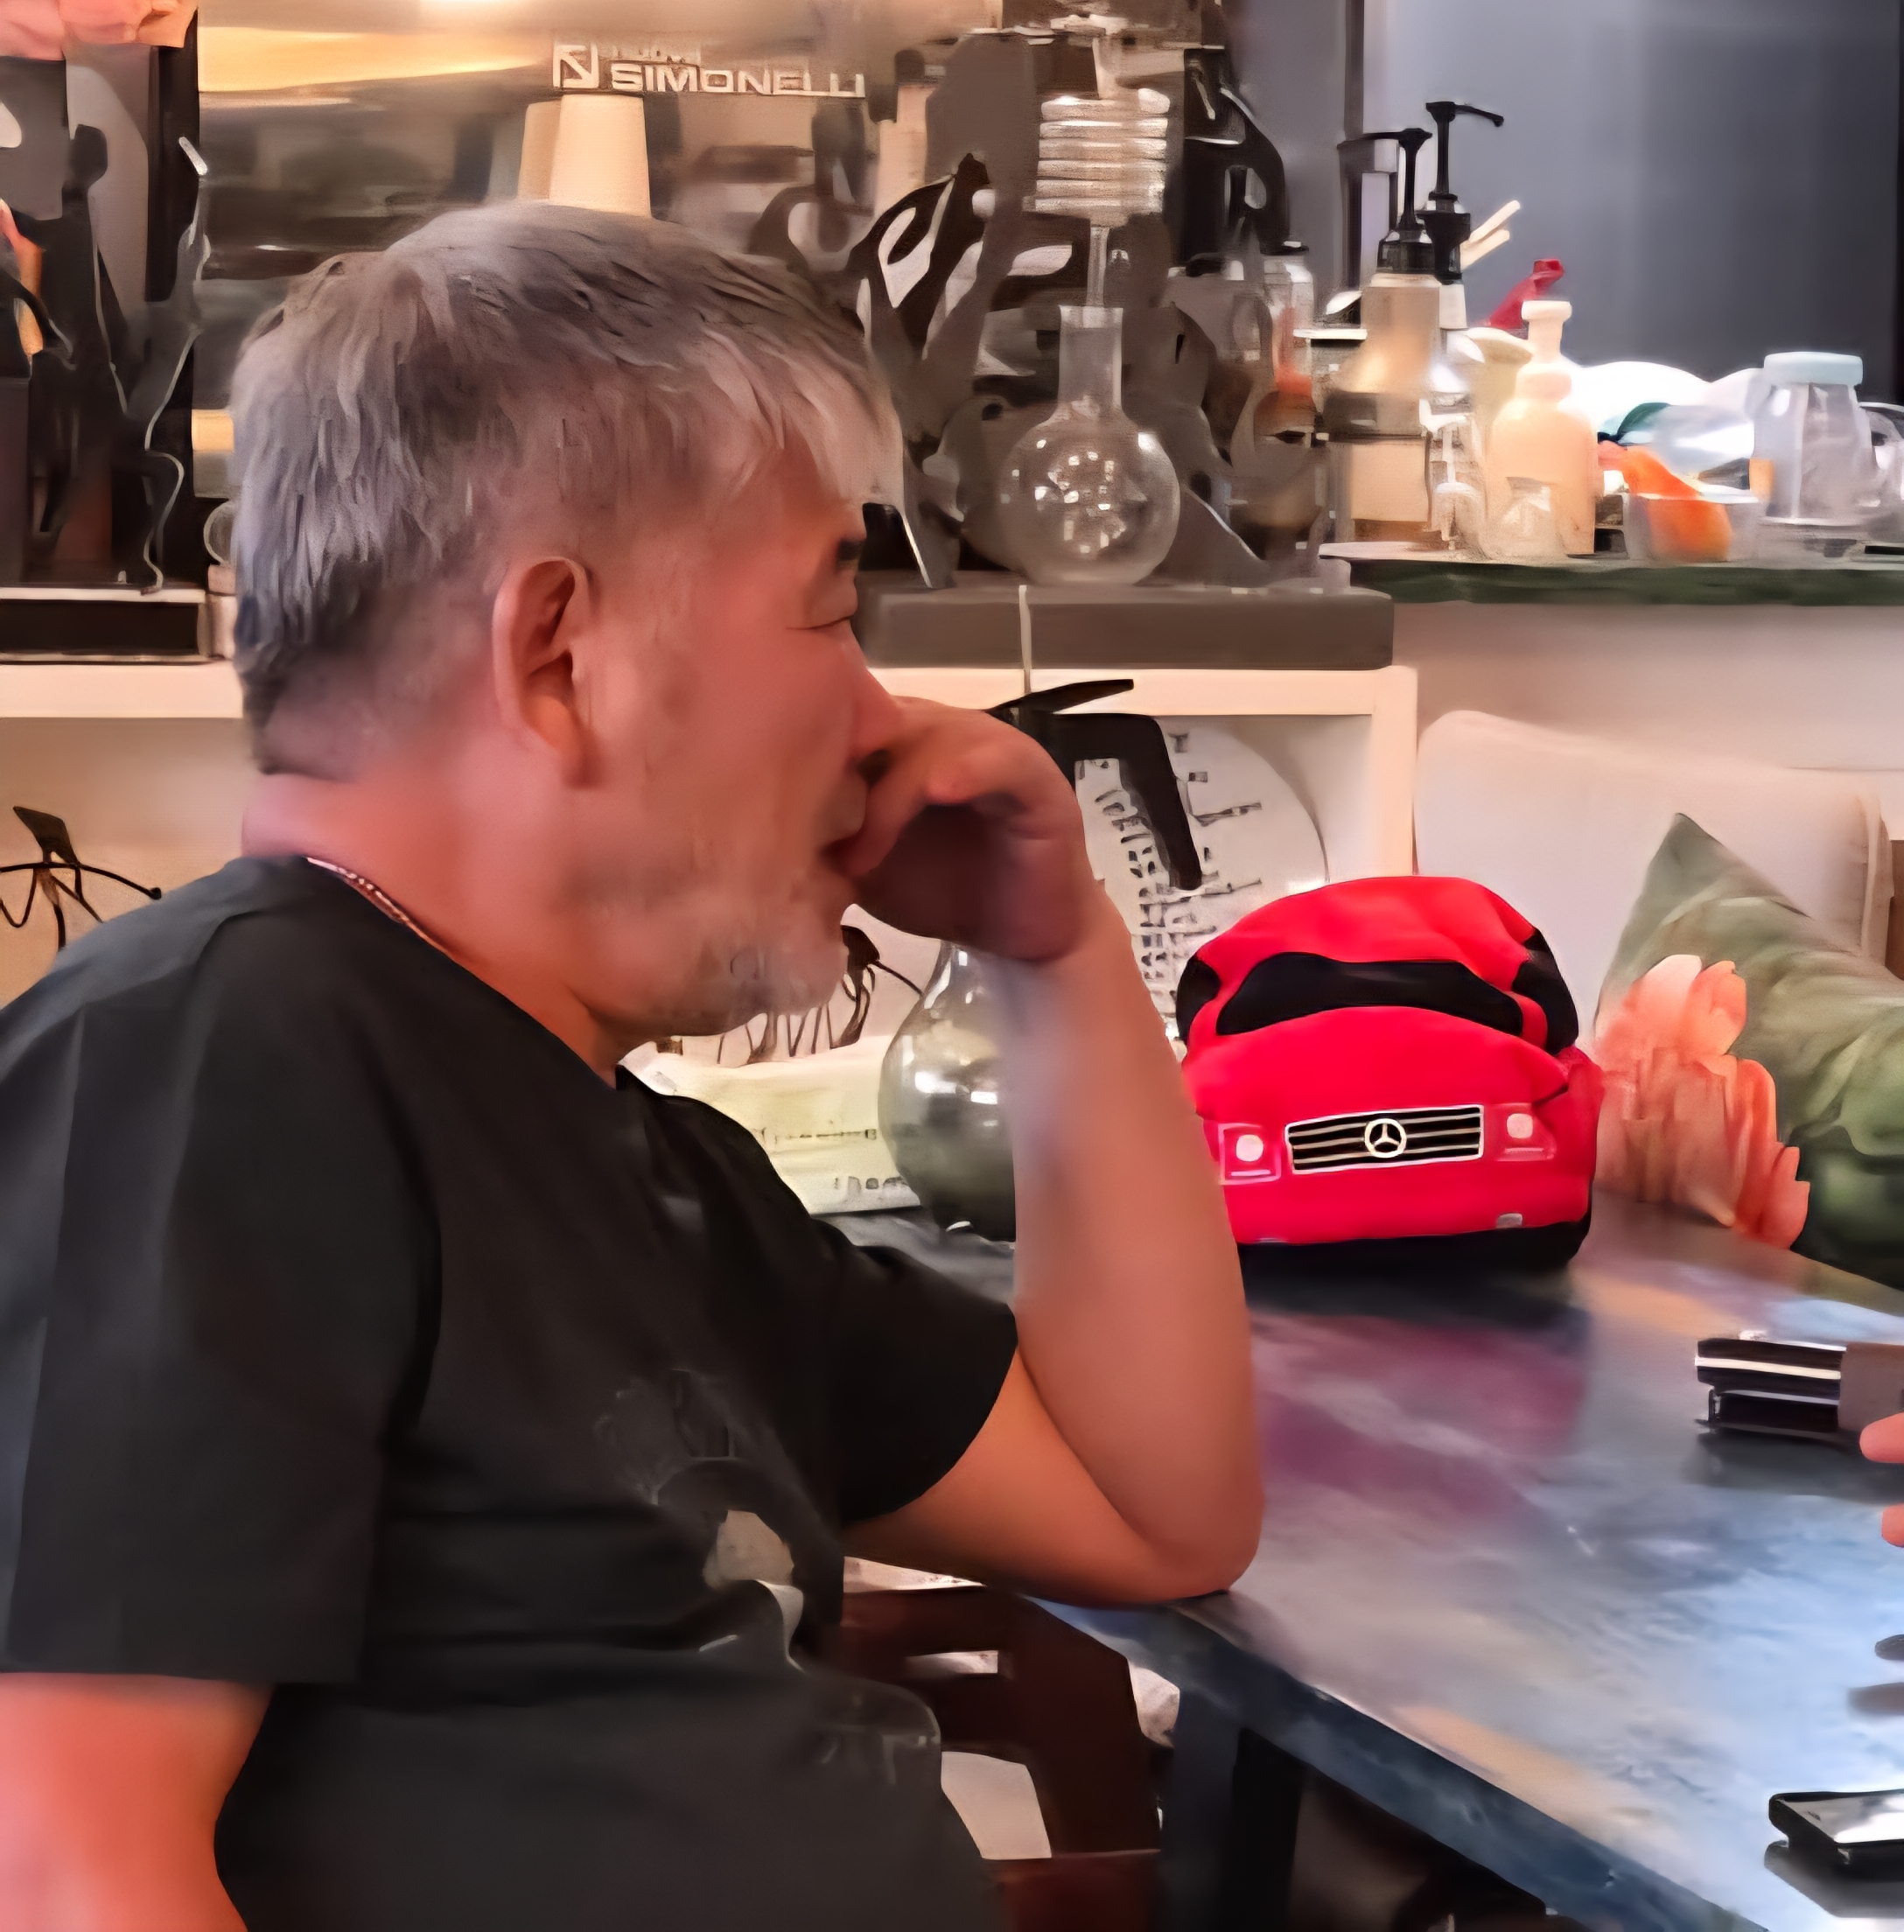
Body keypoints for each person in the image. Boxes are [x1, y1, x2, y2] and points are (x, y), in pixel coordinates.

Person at [0, 204, 1259, 1932]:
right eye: (832, 611)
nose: (882, 718)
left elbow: (1156, 1513)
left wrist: (1058, 957)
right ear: (560, 655)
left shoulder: (643, 1165)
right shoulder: (217, 1059)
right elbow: (67, 1871)